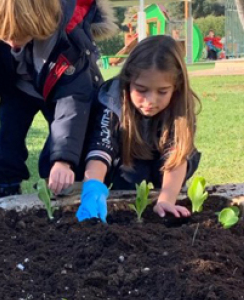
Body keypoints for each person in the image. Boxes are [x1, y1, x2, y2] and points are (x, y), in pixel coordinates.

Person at [0, 0, 117, 197]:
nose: (12, 43)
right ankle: (7, 188)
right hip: (16, 86)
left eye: (20, 35)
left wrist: (63, 160)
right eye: (4, 36)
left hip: (61, 87)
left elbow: (73, 102)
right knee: (8, 141)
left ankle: (55, 185)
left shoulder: (70, 37)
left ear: (41, 21)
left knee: (60, 150)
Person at [76, 35, 201, 222]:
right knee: (129, 177)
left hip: (165, 161)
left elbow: (177, 155)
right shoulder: (111, 98)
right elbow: (101, 147)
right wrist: (92, 189)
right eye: (141, 90)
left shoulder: (181, 104)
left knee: (173, 171)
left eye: (162, 92)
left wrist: (167, 199)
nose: (151, 101)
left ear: (176, 87)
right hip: (128, 157)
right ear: (127, 81)